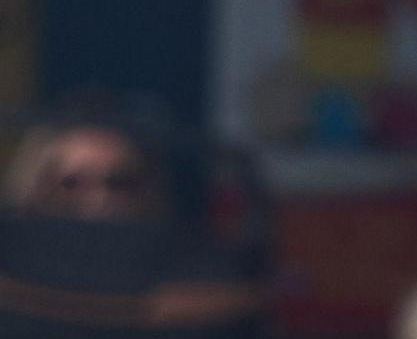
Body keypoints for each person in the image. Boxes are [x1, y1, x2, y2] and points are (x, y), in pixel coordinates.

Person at [0, 100, 269, 337]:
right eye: (72, 183)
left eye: (119, 183)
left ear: (147, 189)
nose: (98, 200)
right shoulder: (10, 261)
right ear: (37, 187)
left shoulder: (196, 270)